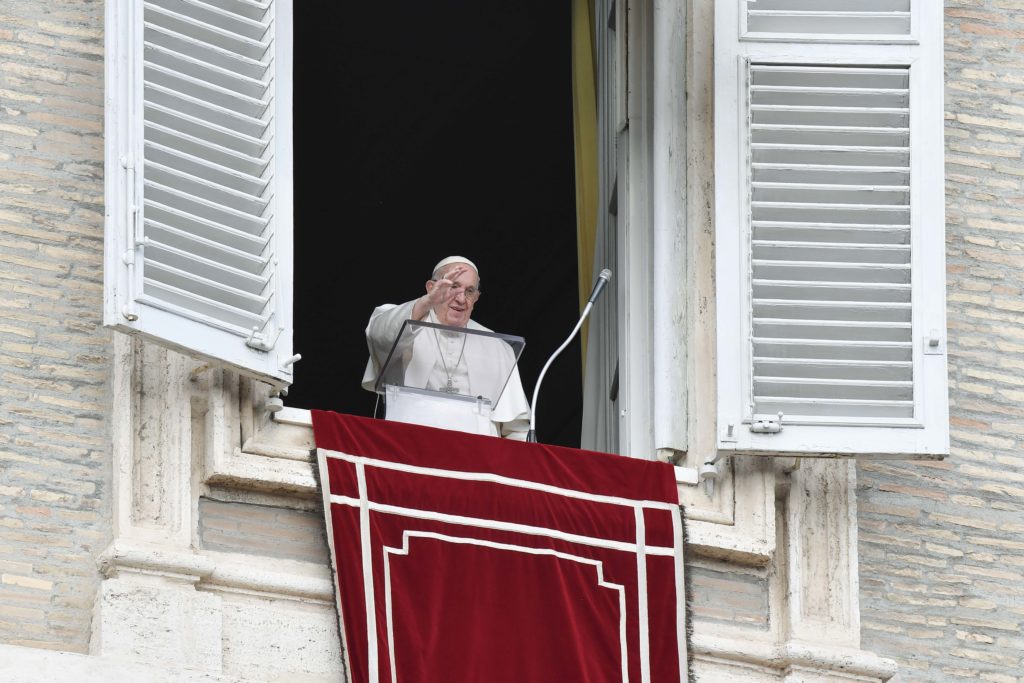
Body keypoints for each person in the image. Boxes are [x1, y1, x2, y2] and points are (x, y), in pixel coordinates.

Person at [361, 256, 530, 440]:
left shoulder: (497, 348)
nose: (461, 299)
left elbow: (517, 429)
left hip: (478, 458)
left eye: (469, 291)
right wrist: (426, 302)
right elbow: (380, 336)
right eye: (453, 286)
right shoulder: (405, 322)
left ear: (477, 298)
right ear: (431, 288)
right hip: (410, 445)